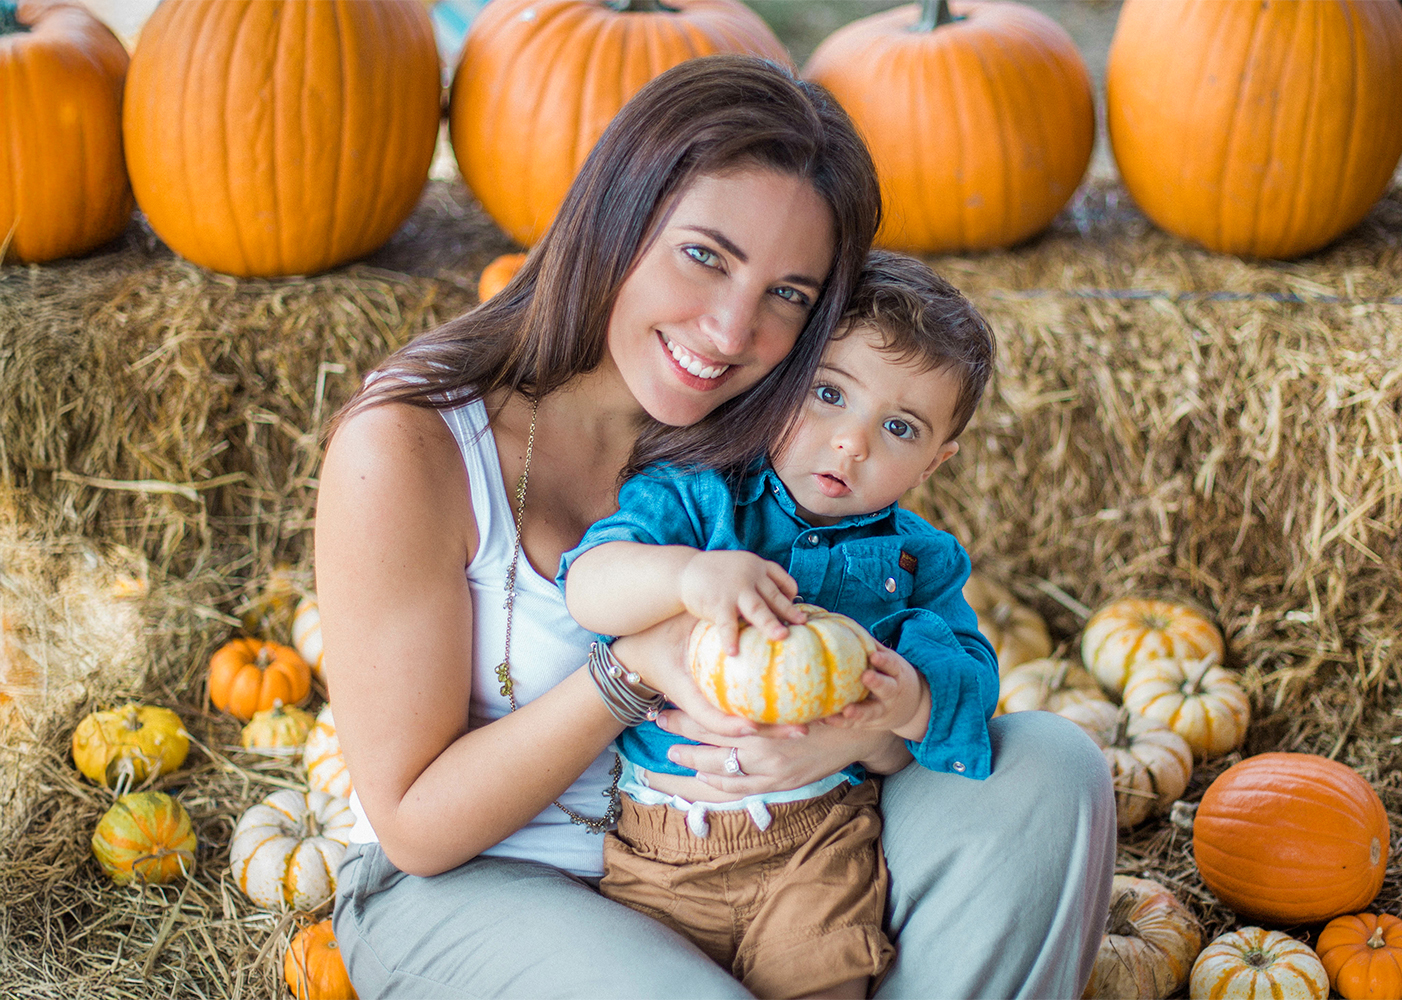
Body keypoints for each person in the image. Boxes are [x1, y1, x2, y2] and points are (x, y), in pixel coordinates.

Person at [315, 53, 1117, 1000]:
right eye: (706, 255)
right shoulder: (411, 447)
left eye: (790, 295)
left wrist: (847, 736)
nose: (733, 332)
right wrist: (636, 665)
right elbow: (413, 826)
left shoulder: (775, 435)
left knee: (1051, 770)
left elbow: (881, 656)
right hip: (482, 884)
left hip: (773, 846)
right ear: (617, 220)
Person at [557, 250, 1002, 999]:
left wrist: (913, 704)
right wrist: (687, 575)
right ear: (784, 380)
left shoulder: (921, 560)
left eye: (899, 427)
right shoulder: (700, 499)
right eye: (829, 393)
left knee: (825, 982)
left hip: (818, 844)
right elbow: (588, 585)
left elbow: (974, 674)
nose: (851, 442)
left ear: (934, 463)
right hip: (660, 846)